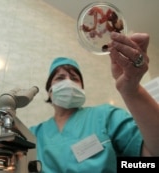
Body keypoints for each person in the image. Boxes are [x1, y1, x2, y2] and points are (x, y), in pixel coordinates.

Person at [29, 32, 159, 173]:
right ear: (50, 90)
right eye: (60, 78)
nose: (68, 82)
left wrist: (132, 91)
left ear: (81, 89)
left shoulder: (105, 116)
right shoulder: (33, 134)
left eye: (74, 78)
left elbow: (152, 158)